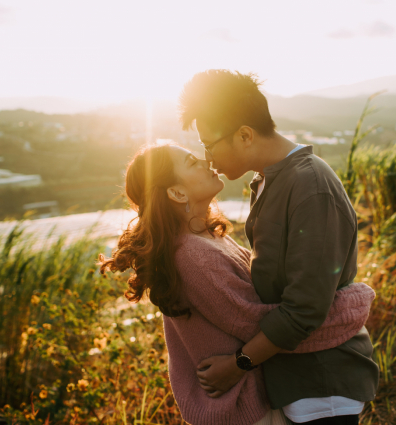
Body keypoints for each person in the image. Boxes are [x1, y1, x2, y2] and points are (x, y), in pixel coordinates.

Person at [99, 143, 376, 425]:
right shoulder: (194, 256)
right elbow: (265, 324)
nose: (206, 161)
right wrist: (351, 303)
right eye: (192, 162)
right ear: (177, 192)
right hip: (240, 410)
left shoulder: (207, 238)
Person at [180, 70, 380, 425]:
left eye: (209, 146)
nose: (208, 159)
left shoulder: (310, 187)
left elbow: (304, 310)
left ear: (244, 135)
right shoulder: (271, 180)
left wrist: (237, 364)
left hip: (324, 388)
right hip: (296, 381)